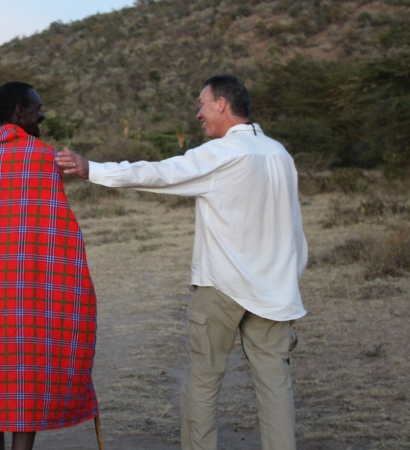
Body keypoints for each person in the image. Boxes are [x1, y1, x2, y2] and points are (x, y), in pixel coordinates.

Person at [55, 74, 307, 450]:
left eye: (203, 104)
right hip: (276, 290)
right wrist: (289, 276)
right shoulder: (279, 154)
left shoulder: (224, 152)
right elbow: (294, 230)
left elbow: (159, 172)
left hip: (222, 286)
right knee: (276, 389)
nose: (198, 113)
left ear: (222, 103)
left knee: (202, 385)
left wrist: (93, 169)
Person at [0, 82, 99, 450]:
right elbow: (59, 230)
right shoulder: (43, 158)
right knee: (26, 371)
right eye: (37, 108)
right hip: (28, 292)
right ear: (19, 112)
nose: (41, 114)